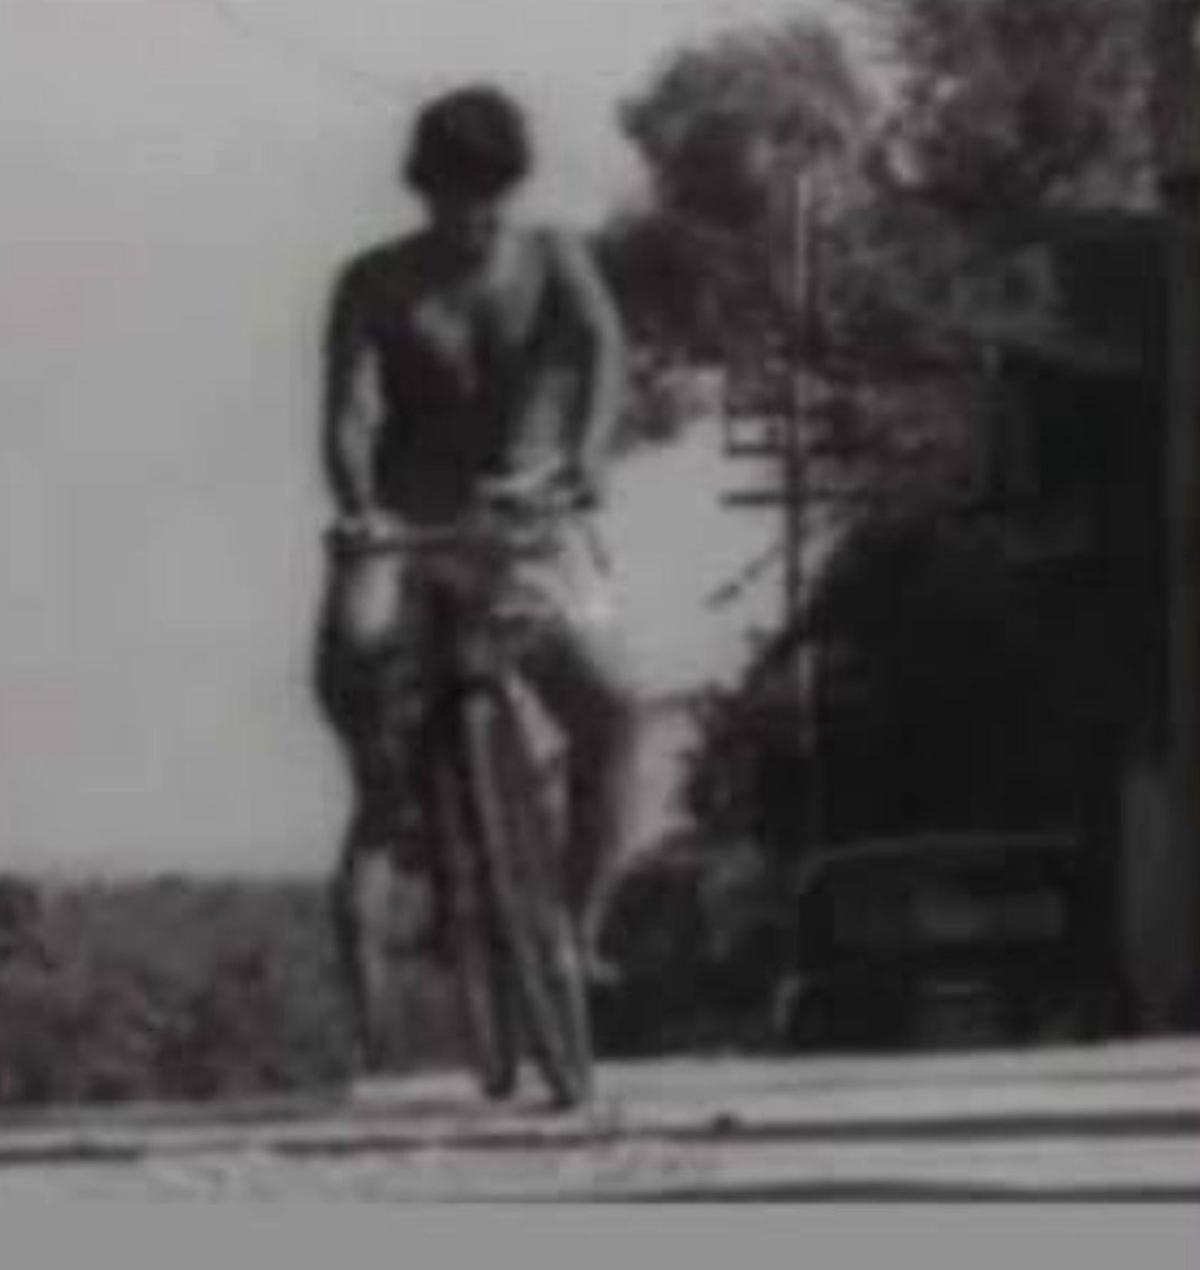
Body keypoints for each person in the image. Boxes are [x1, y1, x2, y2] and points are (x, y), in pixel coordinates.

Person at [313, 85, 641, 1071]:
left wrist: (587, 458)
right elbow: (349, 410)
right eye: (457, 194)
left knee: (613, 713)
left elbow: (605, 356)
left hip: (528, 519)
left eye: (492, 193)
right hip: (408, 524)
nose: (477, 214)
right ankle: (400, 845)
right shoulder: (375, 283)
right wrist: (359, 505)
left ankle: (576, 929)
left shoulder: (553, 260)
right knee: (360, 665)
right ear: (425, 189)